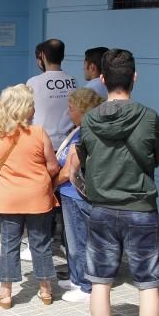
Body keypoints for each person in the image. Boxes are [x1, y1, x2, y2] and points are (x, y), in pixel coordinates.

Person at [81, 48, 159, 316]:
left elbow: (86, 158)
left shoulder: (89, 118)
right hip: (141, 209)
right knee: (148, 285)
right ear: (134, 77)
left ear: (102, 80)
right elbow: (157, 154)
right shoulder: (148, 117)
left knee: (100, 282)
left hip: (102, 209)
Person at [0, 84, 59, 308]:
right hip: (38, 198)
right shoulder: (38, 133)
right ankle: (45, 290)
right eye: (31, 105)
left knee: (9, 244)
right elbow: (53, 166)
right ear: (23, 108)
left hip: (8, 199)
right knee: (41, 243)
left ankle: (5, 292)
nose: (34, 108)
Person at [54, 88, 105, 303]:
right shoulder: (81, 129)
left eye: (71, 108)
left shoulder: (84, 133)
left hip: (75, 194)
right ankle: (76, 278)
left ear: (83, 110)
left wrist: (49, 185)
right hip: (71, 194)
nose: (68, 111)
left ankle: (85, 286)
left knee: (78, 242)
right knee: (74, 240)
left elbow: (69, 171)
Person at [28, 39, 78, 148]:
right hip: (66, 144)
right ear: (63, 56)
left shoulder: (33, 82)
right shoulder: (73, 81)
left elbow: (26, 113)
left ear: (42, 55)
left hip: (41, 143)